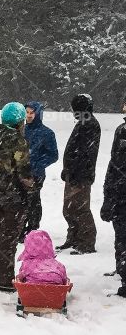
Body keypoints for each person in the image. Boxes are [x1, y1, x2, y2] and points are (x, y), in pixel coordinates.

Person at [0, 102, 35, 290]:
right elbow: (24, 171)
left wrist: (0, 169)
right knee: (9, 236)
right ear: (20, 121)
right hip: (13, 197)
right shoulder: (18, 140)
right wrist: (31, 185)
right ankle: (3, 280)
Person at [59, 94, 102, 254]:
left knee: (80, 209)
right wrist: (68, 169)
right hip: (74, 175)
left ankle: (86, 242)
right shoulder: (83, 122)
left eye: (74, 109)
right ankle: (74, 238)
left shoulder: (89, 124)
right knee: (69, 209)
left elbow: (86, 154)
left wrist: (76, 174)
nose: (72, 112)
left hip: (81, 177)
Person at [100, 97, 126, 297]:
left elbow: (116, 164)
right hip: (118, 192)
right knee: (120, 235)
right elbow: (113, 162)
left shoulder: (123, 131)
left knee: (123, 236)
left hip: (121, 191)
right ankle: (121, 268)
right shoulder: (120, 129)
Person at [23, 101, 59, 233]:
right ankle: (20, 228)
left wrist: (37, 164)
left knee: (33, 201)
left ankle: (32, 228)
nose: (29, 115)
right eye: (27, 112)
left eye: (32, 112)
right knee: (20, 201)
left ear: (38, 114)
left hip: (36, 174)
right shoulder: (21, 129)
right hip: (20, 173)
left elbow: (53, 155)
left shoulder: (47, 133)